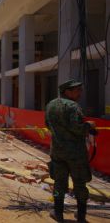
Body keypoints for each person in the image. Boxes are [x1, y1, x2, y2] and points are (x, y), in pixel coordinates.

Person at [45, 80, 97, 222]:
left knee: (59, 184)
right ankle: (81, 217)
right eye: (77, 90)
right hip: (76, 154)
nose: (80, 93)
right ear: (67, 91)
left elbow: (48, 125)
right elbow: (78, 128)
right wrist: (89, 125)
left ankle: (58, 214)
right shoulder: (73, 106)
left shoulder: (51, 105)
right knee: (80, 184)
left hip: (57, 152)